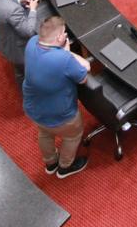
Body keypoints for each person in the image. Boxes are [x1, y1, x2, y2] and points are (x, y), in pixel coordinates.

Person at [23, 17, 90, 177]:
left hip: (34, 109)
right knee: (73, 136)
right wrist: (67, 52)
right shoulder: (63, 59)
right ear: (60, 38)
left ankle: (50, 162)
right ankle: (65, 166)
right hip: (61, 115)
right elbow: (83, 76)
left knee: (45, 133)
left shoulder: (32, 42)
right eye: (64, 33)